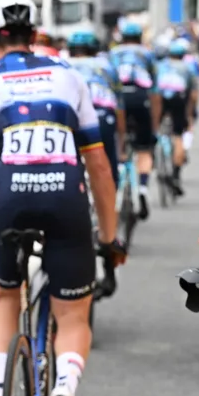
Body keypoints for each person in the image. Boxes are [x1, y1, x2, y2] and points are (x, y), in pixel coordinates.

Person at [0, 0, 124, 396]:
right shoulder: (70, 76)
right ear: (35, 33)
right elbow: (101, 168)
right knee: (73, 315)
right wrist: (108, 240)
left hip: (6, 198)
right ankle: (64, 389)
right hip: (66, 196)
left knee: (7, 297)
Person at [67, 30, 126, 296]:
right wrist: (122, 137)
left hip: (68, 122)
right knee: (105, 182)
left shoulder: (62, 65)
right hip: (102, 118)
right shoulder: (105, 65)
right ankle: (109, 262)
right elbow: (119, 102)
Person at [110, 21, 162, 220]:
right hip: (141, 97)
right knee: (144, 149)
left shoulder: (113, 53)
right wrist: (154, 126)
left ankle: (120, 163)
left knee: (117, 140)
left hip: (119, 98)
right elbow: (155, 91)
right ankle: (141, 187)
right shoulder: (147, 54)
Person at [156, 37, 196, 194]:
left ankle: (157, 154)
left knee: (158, 129)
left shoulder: (160, 66)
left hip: (161, 99)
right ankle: (175, 174)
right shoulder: (187, 68)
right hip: (179, 100)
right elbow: (193, 95)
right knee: (178, 135)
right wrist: (190, 113)